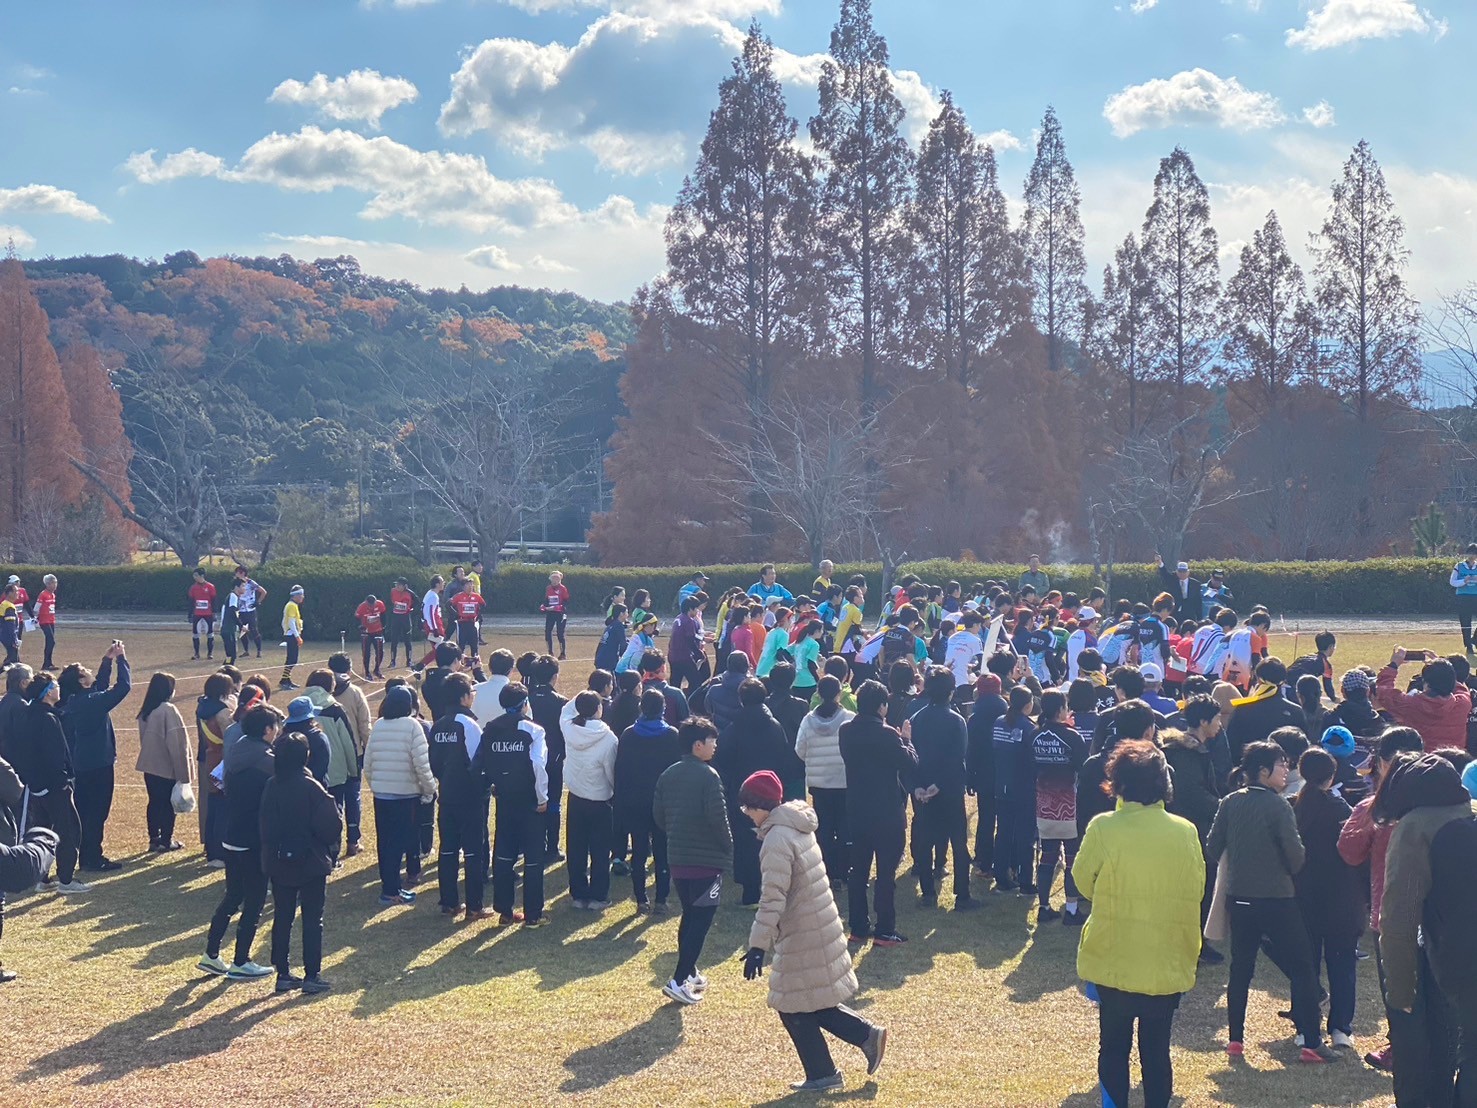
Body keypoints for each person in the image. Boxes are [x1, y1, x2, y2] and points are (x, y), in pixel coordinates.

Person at [1073, 739, 1205, 1108]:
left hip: (1114, 957)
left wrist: (1111, 893)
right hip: (1165, 958)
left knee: (1113, 1046)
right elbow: (1197, 888)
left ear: (1117, 783)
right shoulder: (1185, 831)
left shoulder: (1104, 828)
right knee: (1156, 1049)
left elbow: (1082, 881)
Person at [739, 769, 888, 1093]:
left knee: (791, 1003)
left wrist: (757, 946)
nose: (746, 813)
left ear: (760, 805)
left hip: (803, 930)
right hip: (818, 923)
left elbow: (772, 898)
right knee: (809, 998)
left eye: (747, 807)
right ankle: (865, 1037)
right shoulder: (796, 825)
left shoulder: (776, 840)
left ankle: (826, 1070)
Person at [1206, 741, 1334, 1061]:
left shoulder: (1230, 802)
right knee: (1303, 967)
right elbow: (1295, 855)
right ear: (1263, 771)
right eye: (1281, 765)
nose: (1286, 770)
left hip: (1240, 897)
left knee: (1241, 968)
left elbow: (1212, 846)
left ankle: (1235, 1040)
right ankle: (1312, 1042)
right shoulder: (1278, 805)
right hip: (1277, 897)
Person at [1373, 749, 1477, 1103]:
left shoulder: (1416, 826)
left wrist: (1401, 992)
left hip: (1461, 958)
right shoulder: (1470, 812)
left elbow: (1399, 919)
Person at [1338, 725, 1425, 1075]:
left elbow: (1349, 851)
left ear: (1383, 762)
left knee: (1396, 986)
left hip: (1389, 913)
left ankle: (1400, 1047)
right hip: (1437, 913)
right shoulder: (1446, 802)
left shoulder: (1375, 808)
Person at [653, 716, 732, 1004]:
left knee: (689, 914)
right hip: (705, 860)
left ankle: (690, 972)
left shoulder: (668, 774)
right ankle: (678, 979)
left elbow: (659, 816)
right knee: (701, 921)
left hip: (678, 857)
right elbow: (718, 818)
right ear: (698, 745)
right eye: (712, 741)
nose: (715, 746)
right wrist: (728, 847)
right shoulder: (709, 776)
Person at [199, 702, 280, 982]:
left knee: (233, 896)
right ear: (267, 729)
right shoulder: (266, 760)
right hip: (253, 839)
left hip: (231, 834)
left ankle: (211, 954)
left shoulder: (236, 750)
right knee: (254, 901)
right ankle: (241, 961)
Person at [1291, 746, 1362, 1051]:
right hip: (1341, 898)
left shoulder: (1293, 808)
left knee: (1305, 965)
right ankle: (1341, 1028)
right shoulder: (1341, 810)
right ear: (1331, 775)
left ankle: (1305, 1027)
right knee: (1342, 964)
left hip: (1303, 897)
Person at [260, 729, 340, 995]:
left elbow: (265, 826)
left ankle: (282, 972)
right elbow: (331, 826)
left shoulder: (272, 785)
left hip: (279, 861)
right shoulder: (311, 786)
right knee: (312, 918)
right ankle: (311, 974)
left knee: (282, 917)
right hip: (311, 861)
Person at [839, 680, 917, 946]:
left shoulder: (846, 731)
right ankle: (884, 929)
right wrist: (906, 740)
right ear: (882, 706)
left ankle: (858, 927)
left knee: (858, 871)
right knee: (885, 873)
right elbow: (909, 762)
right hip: (886, 810)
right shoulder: (887, 734)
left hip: (857, 808)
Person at [478, 682, 550, 927]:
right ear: (524, 704)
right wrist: (542, 798)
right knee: (533, 857)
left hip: (505, 799)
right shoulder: (533, 730)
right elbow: (538, 765)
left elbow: (484, 761)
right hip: (529, 801)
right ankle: (533, 914)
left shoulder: (491, 728)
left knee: (504, 855)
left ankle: (505, 912)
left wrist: (495, 783)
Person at [1162, 696, 1227, 964]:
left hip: (1186, 828)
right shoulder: (1188, 754)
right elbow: (1192, 795)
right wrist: (1224, 806)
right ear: (1203, 721)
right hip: (1193, 829)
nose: (1220, 724)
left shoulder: (1180, 750)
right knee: (1200, 888)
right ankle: (1195, 945)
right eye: (1216, 719)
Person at [59, 643, 131, 873]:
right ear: (82, 681)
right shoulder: (91, 702)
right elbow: (123, 687)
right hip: (98, 764)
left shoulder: (75, 700)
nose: (89, 671)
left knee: (85, 811)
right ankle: (92, 858)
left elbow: (100, 687)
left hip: (81, 764)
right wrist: (121, 659)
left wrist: (107, 660)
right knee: (97, 812)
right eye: (85, 671)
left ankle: (86, 855)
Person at [908, 667, 975, 911]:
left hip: (923, 789)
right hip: (949, 788)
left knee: (925, 841)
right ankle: (962, 894)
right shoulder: (956, 720)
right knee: (958, 842)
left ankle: (928, 892)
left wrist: (917, 787)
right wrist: (940, 785)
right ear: (951, 692)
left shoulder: (916, 719)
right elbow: (958, 758)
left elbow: (911, 756)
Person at [363, 685, 436, 906]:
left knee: (385, 843)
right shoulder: (412, 726)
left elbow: (368, 763)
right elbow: (422, 764)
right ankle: (391, 891)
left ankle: (390, 885)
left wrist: (376, 786)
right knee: (398, 843)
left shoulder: (379, 725)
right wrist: (429, 789)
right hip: (405, 795)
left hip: (382, 795)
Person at [428, 673, 491, 920]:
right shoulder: (468, 725)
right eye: (471, 693)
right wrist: (483, 788)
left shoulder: (438, 725)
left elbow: (434, 762)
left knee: (448, 850)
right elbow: (478, 762)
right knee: (474, 851)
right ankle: (474, 906)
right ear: (464, 697)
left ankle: (449, 902)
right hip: (469, 797)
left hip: (446, 795)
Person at [19, 673, 86, 893]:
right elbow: (55, 757)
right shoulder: (47, 719)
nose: (59, 689)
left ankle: (42, 877)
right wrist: (63, 781)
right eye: (55, 685)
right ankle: (66, 880)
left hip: (38, 787)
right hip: (54, 787)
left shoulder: (30, 715)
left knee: (42, 832)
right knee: (68, 830)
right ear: (47, 693)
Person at [615, 688, 680, 912]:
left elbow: (620, 772)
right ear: (663, 709)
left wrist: (620, 803)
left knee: (639, 850)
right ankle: (661, 899)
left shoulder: (628, 735)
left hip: (635, 801)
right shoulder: (672, 735)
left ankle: (641, 899)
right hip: (663, 802)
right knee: (662, 852)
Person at [1031, 688, 1086, 922]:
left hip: (1043, 805)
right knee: (1072, 858)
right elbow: (1083, 768)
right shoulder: (1072, 737)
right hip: (1069, 805)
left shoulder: (1035, 735)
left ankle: (1043, 908)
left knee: (1047, 856)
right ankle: (1071, 910)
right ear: (1061, 710)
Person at [561, 691, 618, 911]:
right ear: (599, 709)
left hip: (576, 796)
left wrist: (585, 694)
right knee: (600, 851)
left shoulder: (569, 728)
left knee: (576, 848)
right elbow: (611, 771)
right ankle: (598, 896)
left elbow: (565, 709)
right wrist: (613, 791)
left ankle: (578, 894)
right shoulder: (608, 738)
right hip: (600, 799)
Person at [796, 676, 853, 889]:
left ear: (818, 694)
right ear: (839, 693)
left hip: (819, 784)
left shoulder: (808, 720)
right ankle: (844, 871)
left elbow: (800, 750)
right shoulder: (849, 719)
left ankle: (827, 871)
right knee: (845, 828)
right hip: (844, 781)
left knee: (824, 829)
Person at [134, 673, 191, 853]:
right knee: (168, 804)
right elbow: (177, 744)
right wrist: (184, 774)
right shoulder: (168, 710)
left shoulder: (146, 711)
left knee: (154, 802)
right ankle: (166, 840)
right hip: (167, 766)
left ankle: (154, 838)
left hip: (150, 766)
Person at [1375, 647, 1472, 751]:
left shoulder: (1410, 704)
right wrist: (1443, 668)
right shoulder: (1463, 703)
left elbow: (1383, 691)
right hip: (1455, 757)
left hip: (1422, 758)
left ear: (1425, 683)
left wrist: (1393, 665)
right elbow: (1460, 687)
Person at [992, 685, 1037, 894]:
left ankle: (1001, 876)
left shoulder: (999, 722)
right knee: (1025, 835)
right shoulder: (1029, 728)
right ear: (1028, 705)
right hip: (1024, 787)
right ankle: (1025, 880)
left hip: (1001, 784)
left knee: (1003, 832)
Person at [327, 653, 371, 856]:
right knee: (353, 797)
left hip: (330, 753)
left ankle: (334, 842)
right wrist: (368, 748)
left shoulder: (322, 693)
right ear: (349, 669)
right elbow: (364, 725)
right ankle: (353, 841)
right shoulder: (354, 692)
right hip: (354, 752)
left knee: (333, 797)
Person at [1155, 554, 1203, 628]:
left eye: (1184, 571)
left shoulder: (1195, 584)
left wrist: (1199, 619)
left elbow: (1198, 602)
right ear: (1177, 572)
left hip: (1190, 614)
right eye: (1180, 571)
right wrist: (1160, 563)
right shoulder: (1172, 581)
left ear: (1188, 572)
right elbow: (1164, 575)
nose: (1182, 573)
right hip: (1175, 613)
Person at [232, 564, 267, 659]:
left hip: (250, 610)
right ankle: (246, 651)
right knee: (242, 631)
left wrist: (258, 602)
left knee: (254, 630)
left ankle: (259, 651)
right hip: (241, 610)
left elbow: (263, 592)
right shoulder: (237, 583)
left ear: (242, 573)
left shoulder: (251, 583)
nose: (236, 575)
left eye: (237, 573)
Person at [415, 575, 447, 673]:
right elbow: (430, 613)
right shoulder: (433, 596)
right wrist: (434, 629)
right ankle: (420, 666)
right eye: (442, 582)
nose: (444, 583)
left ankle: (420, 666)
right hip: (433, 626)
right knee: (440, 649)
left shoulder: (431, 594)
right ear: (437, 584)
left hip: (432, 624)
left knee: (438, 648)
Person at [1451, 542, 1477, 655]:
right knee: (1466, 622)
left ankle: (1474, 639)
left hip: (1475, 596)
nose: (1472, 556)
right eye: (1470, 553)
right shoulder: (1459, 566)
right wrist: (1464, 581)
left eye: (1474, 553)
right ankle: (1468, 645)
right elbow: (1452, 582)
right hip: (1463, 597)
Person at [354, 594, 387, 680]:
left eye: (373, 604)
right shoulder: (362, 607)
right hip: (366, 633)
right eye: (370, 605)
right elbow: (356, 618)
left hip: (377, 631)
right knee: (366, 653)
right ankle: (367, 672)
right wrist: (360, 626)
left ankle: (377, 670)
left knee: (380, 652)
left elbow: (383, 614)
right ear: (366, 602)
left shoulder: (380, 604)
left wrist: (383, 626)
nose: (372, 606)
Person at [188, 567, 217, 661]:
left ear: (202, 575)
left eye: (196, 575)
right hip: (197, 614)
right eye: (194, 575)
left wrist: (214, 613)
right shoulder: (193, 588)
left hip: (208, 614)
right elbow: (191, 602)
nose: (194, 577)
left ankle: (210, 653)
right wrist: (190, 614)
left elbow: (214, 601)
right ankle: (196, 653)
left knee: (210, 633)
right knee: (195, 634)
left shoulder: (210, 587)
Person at [280, 585, 305, 691]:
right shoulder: (291, 606)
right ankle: (284, 680)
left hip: (292, 635)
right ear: (296, 595)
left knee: (291, 658)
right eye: (301, 594)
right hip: (291, 635)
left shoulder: (293, 605)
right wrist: (297, 636)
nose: (303, 597)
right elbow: (291, 622)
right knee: (292, 659)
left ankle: (286, 679)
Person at [452, 581, 485, 663]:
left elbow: (483, 605)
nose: (470, 587)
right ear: (463, 587)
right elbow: (448, 604)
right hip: (462, 623)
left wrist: (478, 614)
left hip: (472, 623)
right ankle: (460, 662)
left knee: (474, 644)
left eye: (471, 585)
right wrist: (455, 614)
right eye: (468, 585)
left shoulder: (476, 596)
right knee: (461, 645)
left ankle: (475, 662)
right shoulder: (458, 596)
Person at [541, 571, 570, 660]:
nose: (555, 580)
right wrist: (543, 607)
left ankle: (563, 653)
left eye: (557, 578)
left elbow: (566, 601)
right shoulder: (548, 588)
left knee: (560, 633)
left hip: (560, 614)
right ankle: (550, 652)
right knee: (547, 632)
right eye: (553, 578)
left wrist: (560, 607)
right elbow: (547, 600)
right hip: (551, 613)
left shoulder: (563, 588)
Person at [35, 573, 57, 672]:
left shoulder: (53, 595)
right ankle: (46, 664)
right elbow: (36, 608)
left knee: (50, 642)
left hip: (51, 620)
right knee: (51, 641)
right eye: (53, 583)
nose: (55, 585)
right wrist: (36, 618)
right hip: (44, 621)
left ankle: (49, 663)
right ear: (47, 584)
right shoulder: (43, 594)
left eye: (55, 583)